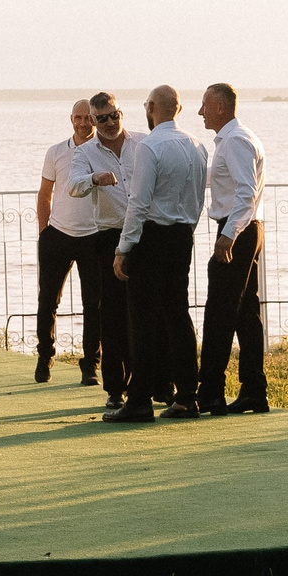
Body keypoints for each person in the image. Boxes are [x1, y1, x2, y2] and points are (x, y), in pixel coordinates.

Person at [104, 84, 206, 424]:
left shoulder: (149, 147)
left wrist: (124, 247)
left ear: (151, 108)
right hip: (181, 236)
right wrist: (186, 230)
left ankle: (140, 401)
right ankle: (187, 396)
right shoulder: (197, 146)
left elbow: (138, 201)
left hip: (152, 237)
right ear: (179, 108)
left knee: (143, 320)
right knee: (178, 315)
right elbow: (196, 198)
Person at [196, 83, 270, 415]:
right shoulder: (237, 139)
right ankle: (254, 390)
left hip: (237, 230)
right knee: (245, 314)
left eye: (205, 106)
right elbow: (221, 179)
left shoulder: (235, 141)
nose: (200, 112)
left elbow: (245, 192)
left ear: (221, 107)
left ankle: (210, 391)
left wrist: (228, 235)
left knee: (220, 313)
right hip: (248, 228)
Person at [66, 91, 135, 408]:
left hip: (146, 233)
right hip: (109, 235)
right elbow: (74, 185)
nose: (110, 123)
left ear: (121, 113)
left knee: (151, 311)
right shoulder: (86, 152)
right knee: (112, 315)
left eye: (114, 115)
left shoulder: (143, 143)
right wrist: (95, 178)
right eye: (102, 118)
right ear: (92, 121)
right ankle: (115, 389)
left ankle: (155, 382)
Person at [34, 98, 102, 384]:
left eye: (88, 118)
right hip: (57, 235)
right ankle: (45, 357)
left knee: (94, 305)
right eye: (79, 117)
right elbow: (44, 193)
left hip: (94, 236)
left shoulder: (103, 151)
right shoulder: (56, 152)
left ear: (95, 120)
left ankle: (90, 366)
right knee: (48, 300)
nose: (84, 122)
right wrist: (44, 232)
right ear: (71, 119)